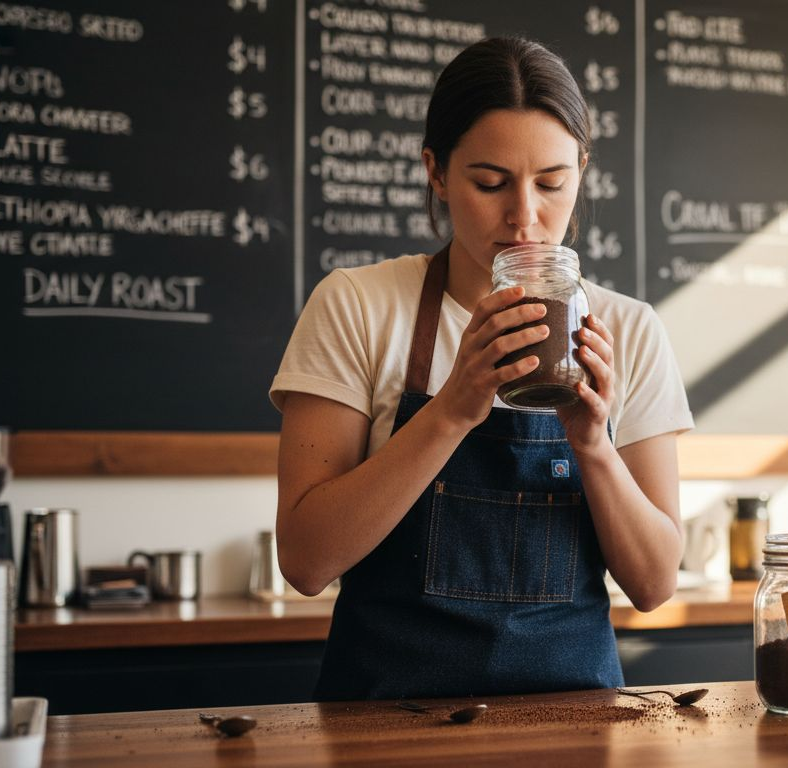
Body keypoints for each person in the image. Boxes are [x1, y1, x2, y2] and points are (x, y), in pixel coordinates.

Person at [269, 37, 693, 700]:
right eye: (490, 183)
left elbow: (654, 584)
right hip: (386, 727)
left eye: (552, 183)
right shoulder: (358, 305)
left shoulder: (629, 329)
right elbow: (304, 561)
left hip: (573, 724)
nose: (525, 218)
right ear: (436, 172)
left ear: (581, 169)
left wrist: (591, 442)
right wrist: (452, 411)